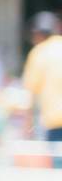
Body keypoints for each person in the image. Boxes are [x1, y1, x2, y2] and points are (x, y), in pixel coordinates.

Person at [22, 12, 62, 142]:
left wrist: (27, 127)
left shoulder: (39, 53)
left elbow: (30, 96)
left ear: (37, 34)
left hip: (55, 121)